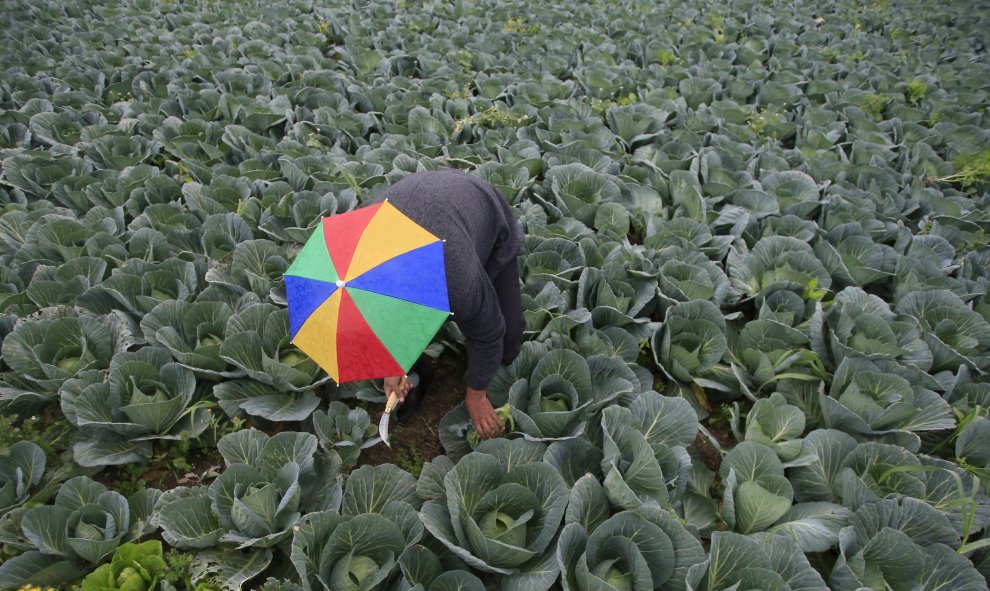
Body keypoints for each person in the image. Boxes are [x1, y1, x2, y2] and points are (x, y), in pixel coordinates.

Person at [377, 169, 524, 441]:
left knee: (510, 332)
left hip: (480, 211)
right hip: (416, 202)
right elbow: (388, 319)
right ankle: (421, 372)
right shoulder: (360, 264)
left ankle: (492, 383)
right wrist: (392, 362)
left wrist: (476, 394)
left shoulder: (455, 276)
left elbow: (489, 331)